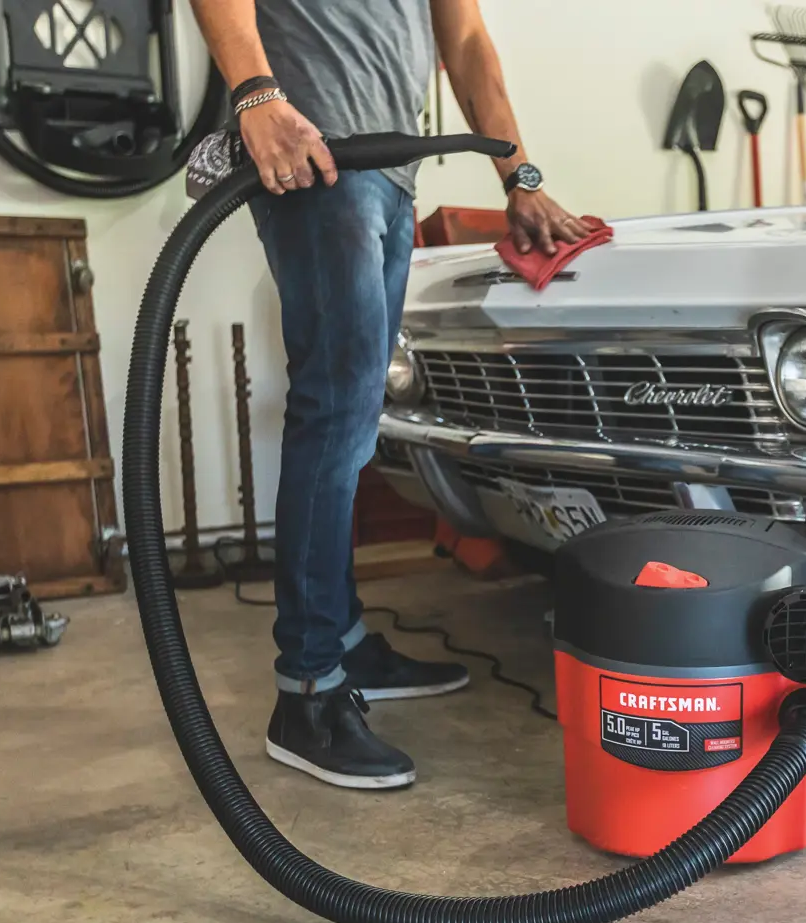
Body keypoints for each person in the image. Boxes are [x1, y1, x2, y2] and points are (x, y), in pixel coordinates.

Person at [189, 0, 584, 790]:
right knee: (335, 415)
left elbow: (465, 39)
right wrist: (257, 97)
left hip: (391, 175)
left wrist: (521, 175)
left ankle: (342, 636)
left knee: (356, 417)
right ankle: (307, 692)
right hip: (319, 162)